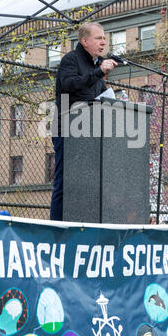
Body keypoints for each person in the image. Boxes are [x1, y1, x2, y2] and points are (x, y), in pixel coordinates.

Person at [50, 22, 117, 221]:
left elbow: (101, 95)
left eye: (104, 38)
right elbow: (69, 84)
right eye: (99, 38)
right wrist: (98, 72)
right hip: (67, 129)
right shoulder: (71, 59)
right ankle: (56, 228)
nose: (103, 42)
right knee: (64, 182)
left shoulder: (96, 63)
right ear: (84, 40)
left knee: (88, 182)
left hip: (89, 131)